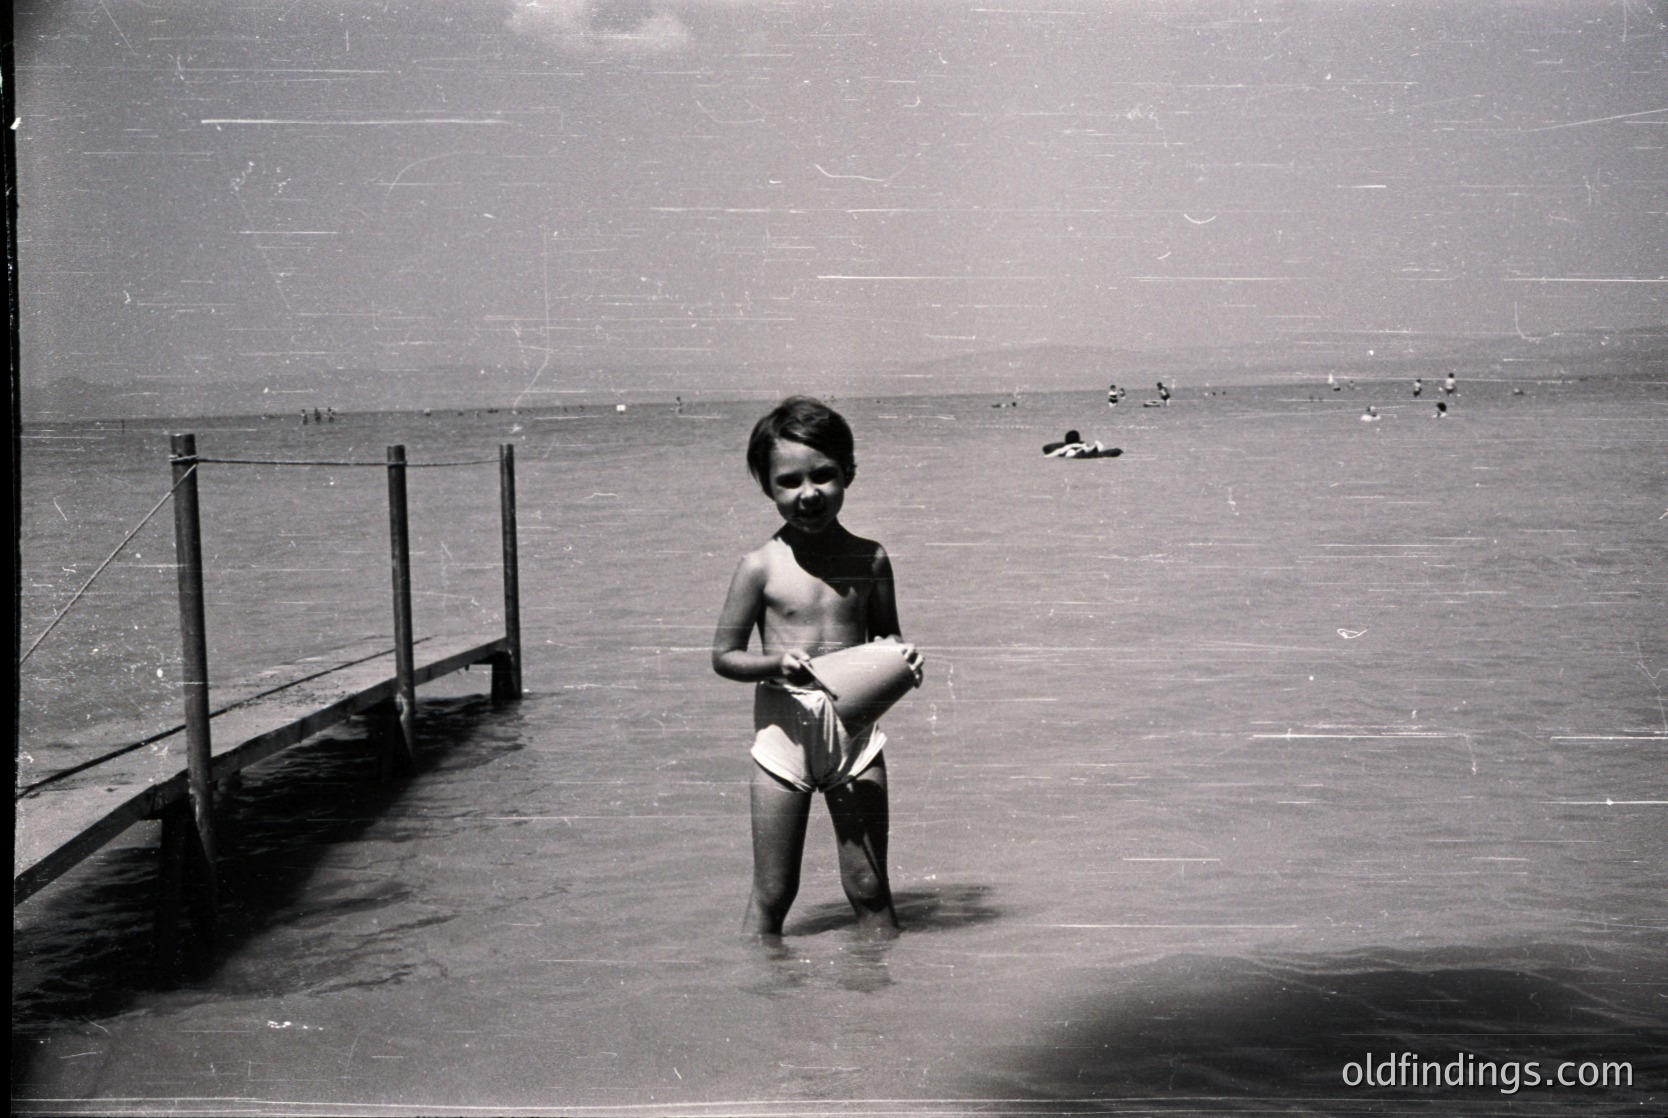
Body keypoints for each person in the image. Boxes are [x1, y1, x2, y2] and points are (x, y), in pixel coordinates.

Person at [713, 396, 924, 939]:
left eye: (824, 476)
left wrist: (902, 659)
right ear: (767, 486)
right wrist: (774, 664)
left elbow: (886, 635)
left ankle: (883, 1010)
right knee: (773, 892)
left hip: (855, 739)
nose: (808, 494)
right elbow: (724, 656)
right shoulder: (759, 567)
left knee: (870, 888)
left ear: (848, 472)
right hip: (784, 742)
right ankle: (758, 1006)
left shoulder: (871, 558)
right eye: (789, 482)